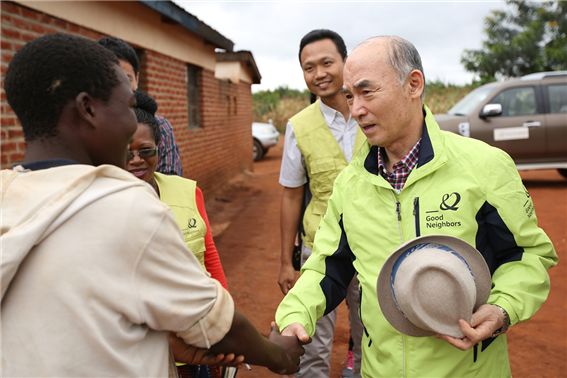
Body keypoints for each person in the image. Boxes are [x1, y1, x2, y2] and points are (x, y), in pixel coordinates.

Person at [1, 32, 303, 377]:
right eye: (129, 107)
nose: (135, 124)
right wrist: (279, 355)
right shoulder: (127, 206)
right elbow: (216, 324)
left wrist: (167, 344)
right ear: (88, 109)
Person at [276, 35, 558, 377]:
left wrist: (501, 308)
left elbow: (527, 255)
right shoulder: (351, 184)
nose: (356, 109)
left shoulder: (484, 166)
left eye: (367, 92)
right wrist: (295, 314)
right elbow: (326, 268)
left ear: (413, 84)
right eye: (350, 96)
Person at [278, 29, 365, 378]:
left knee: (371, 340)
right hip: (319, 249)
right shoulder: (298, 127)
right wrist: (286, 261)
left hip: (374, 246)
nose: (319, 73)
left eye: (327, 62)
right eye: (308, 67)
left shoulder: (373, 112)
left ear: (346, 61)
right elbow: (290, 194)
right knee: (311, 343)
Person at [128, 90, 228, 378]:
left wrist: (223, 320)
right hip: (143, 352)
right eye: (126, 152)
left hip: (196, 341)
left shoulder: (187, 191)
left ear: (160, 148)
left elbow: (209, 257)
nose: (136, 160)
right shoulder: (106, 204)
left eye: (146, 150)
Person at [97, 36, 184, 176]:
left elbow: (170, 184)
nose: (117, 88)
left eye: (126, 79)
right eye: (107, 80)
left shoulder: (161, 127)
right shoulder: (86, 130)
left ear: (136, 80)